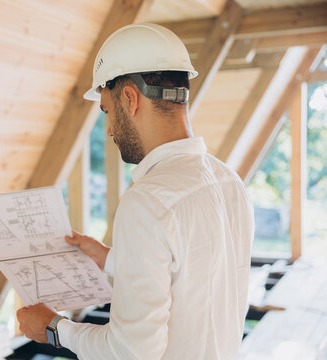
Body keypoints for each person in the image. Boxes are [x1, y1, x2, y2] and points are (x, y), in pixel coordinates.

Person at [16, 23, 254, 359]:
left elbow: (129, 352)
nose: (110, 130)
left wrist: (54, 328)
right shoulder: (229, 181)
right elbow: (193, 279)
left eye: (107, 112)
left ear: (129, 98)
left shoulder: (147, 202)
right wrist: (111, 259)